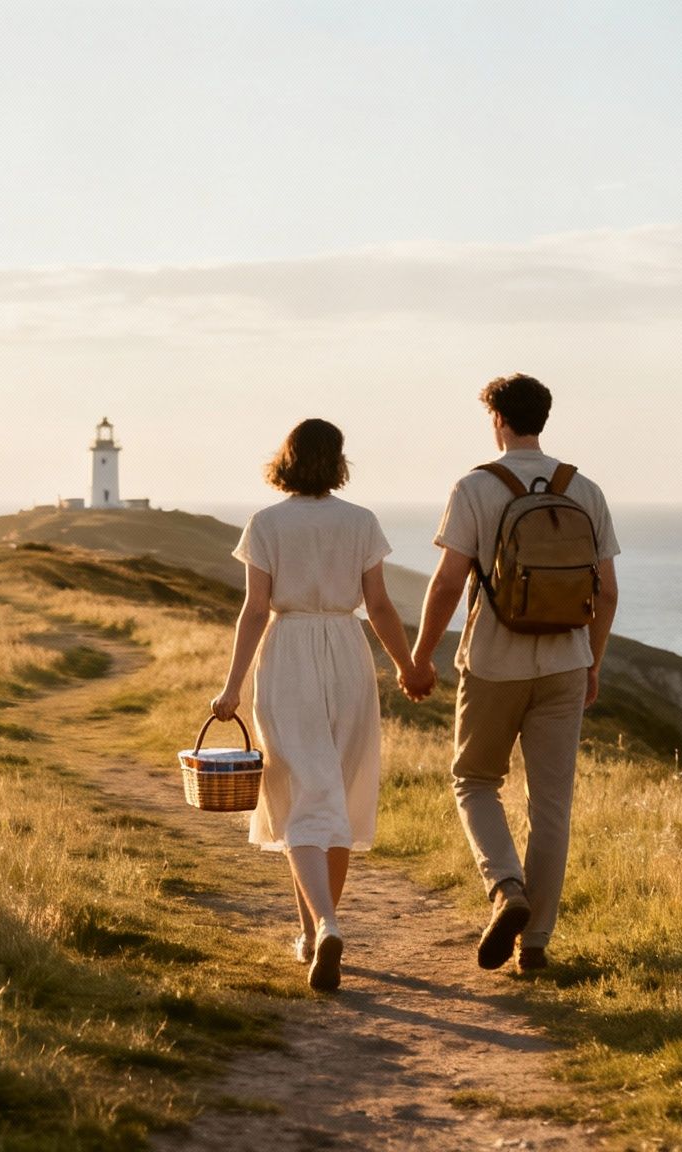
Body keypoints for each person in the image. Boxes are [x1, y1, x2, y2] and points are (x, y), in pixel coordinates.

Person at [403, 375, 620, 973]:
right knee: (552, 805)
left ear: (497, 418)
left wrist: (421, 656)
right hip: (566, 662)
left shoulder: (475, 487)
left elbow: (448, 583)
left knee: (474, 780)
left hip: (495, 661)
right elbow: (608, 593)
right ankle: (537, 945)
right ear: (543, 418)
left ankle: (506, 888)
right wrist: (592, 662)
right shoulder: (585, 490)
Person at [211, 418, 420, 992]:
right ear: (337, 460)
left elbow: (255, 609)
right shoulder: (361, 522)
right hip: (348, 654)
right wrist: (404, 666)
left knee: (303, 792)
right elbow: (378, 605)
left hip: (289, 653)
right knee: (337, 796)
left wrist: (232, 687)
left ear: (288, 458)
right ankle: (313, 934)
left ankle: (325, 924)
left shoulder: (267, 523)